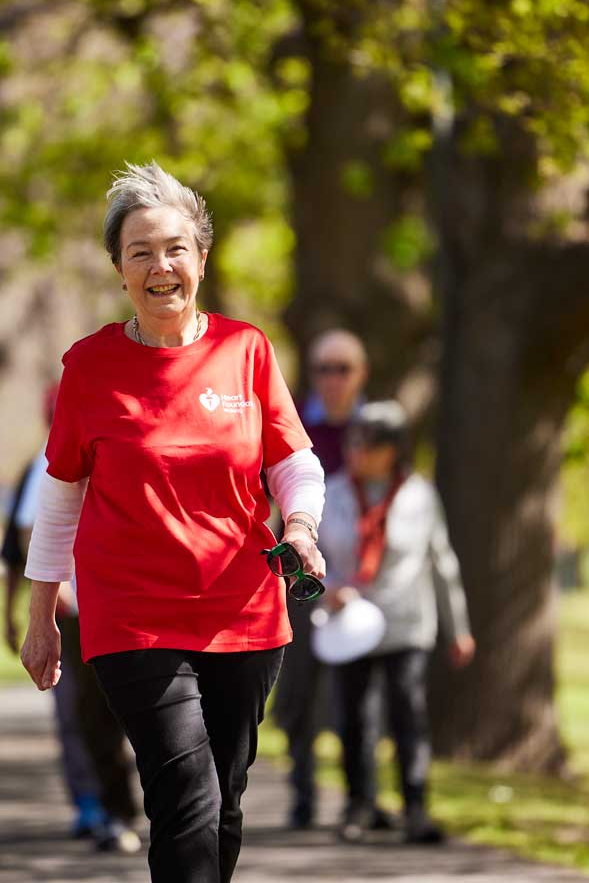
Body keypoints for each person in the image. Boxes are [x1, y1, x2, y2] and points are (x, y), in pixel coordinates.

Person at [19, 161, 326, 883]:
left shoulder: (245, 351)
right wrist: (40, 617)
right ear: (120, 270)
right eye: (141, 252)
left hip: (245, 612)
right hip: (133, 618)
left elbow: (293, 462)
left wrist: (303, 525)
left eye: (176, 248)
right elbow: (61, 495)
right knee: (184, 792)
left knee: (223, 802)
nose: (162, 266)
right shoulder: (89, 366)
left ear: (202, 258)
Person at [318, 400, 476, 845]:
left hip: (406, 624)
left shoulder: (419, 495)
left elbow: (442, 563)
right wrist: (328, 588)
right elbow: (315, 557)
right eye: (353, 442)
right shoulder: (333, 493)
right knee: (354, 720)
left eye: (367, 445)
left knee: (408, 716)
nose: (357, 452)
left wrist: (458, 628)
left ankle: (416, 807)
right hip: (349, 623)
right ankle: (360, 806)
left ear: (391, 450)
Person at [0, 395, 141, 855]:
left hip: (132, 604)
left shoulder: (125, 441)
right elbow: (28, 533)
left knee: (142, 712)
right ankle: (112, 812)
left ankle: (160, 807)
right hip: (78, 610)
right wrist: (54, 594)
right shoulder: (47, 457)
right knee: (91, 717)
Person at [273, 329, 370, 830]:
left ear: (361, 375)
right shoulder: (292, 426)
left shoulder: (373, 429)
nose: (332, 380)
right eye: (323, 369)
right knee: (298, 696)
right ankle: (303, 795)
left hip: (361, 582)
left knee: (358, 696)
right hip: (301, 583)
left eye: (343, 369)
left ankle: (361, 800)